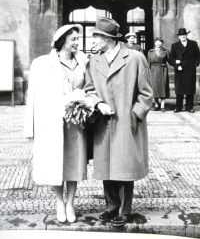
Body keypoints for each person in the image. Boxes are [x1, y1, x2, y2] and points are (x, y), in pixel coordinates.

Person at [84, 17, 153, 227]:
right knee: (106, 165)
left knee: (124, 165)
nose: (93, 40)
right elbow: (89, 89)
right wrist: (97, 103)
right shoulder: (94, 61)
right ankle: (111, 206)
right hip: (103, 123)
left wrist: (134, 116)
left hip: (126, 122)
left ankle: (125, 209)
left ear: (107, 38)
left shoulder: (135, 58)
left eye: (96, 36)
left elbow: (146, 94)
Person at [23, 24, 89, 223]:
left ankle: (71, 203)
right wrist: (30, 127)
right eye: (74, 39)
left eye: (78, 38)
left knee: (74, 163)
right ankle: (60, 202)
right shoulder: (41, 63)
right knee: (55, 163)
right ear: (62, 42)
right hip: (51, 122)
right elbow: (32, 95)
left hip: (75, 122)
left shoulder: (83, 60)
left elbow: (89, 86)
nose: (78, 42)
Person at [170, 28, 200, 113]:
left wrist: (195, 64)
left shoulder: (193, 44)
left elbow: (198, 55)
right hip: (180, 70)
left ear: (186, 35)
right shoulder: (174, 45)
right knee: (179, 90)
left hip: (190, 70)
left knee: (190, 90)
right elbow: (171, 59)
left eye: (184, 35)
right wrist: (176, 64)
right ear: (179, 37)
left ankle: (189, 107)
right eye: (181, 35)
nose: (182, 36)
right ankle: (178, 107)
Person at [147, 37, 170, 112]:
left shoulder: (166, 51)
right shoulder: (150, 52)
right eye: (157, 42)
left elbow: (170, 60)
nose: (158, 44)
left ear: (162, 43)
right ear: (155, 43)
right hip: (153, 70)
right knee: (155, 87)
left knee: (163, 87)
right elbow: (148, 63)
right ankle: (156, 105)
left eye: (160, 42)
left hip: (163, 70)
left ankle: (163, 105)